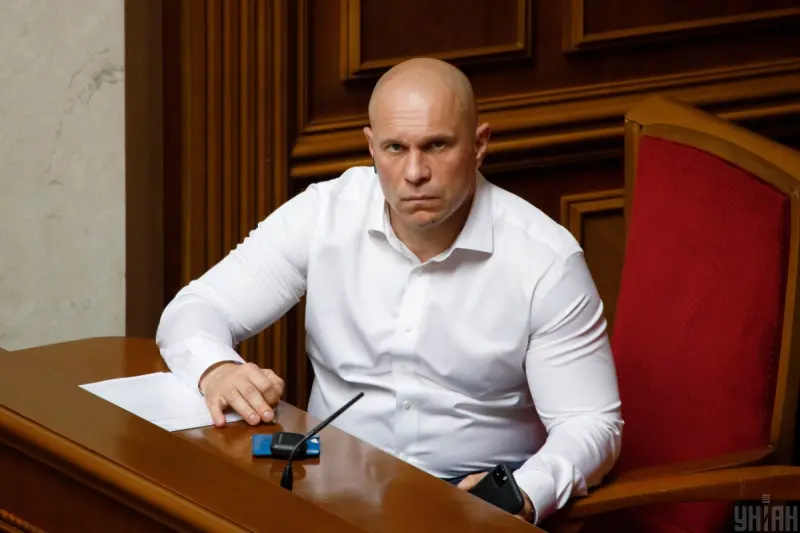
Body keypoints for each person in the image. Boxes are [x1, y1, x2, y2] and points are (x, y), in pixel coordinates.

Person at [156, 57, 623, 525]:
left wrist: (522, 493)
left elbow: (590, 423)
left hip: (470, 507)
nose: (415, 172)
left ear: (479, 145)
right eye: (395, 148)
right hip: (328, 492)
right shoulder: (324, 214)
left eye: (436, 145)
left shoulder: (544, 259)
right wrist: (217, 369)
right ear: (371, 147)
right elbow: (197, 307)